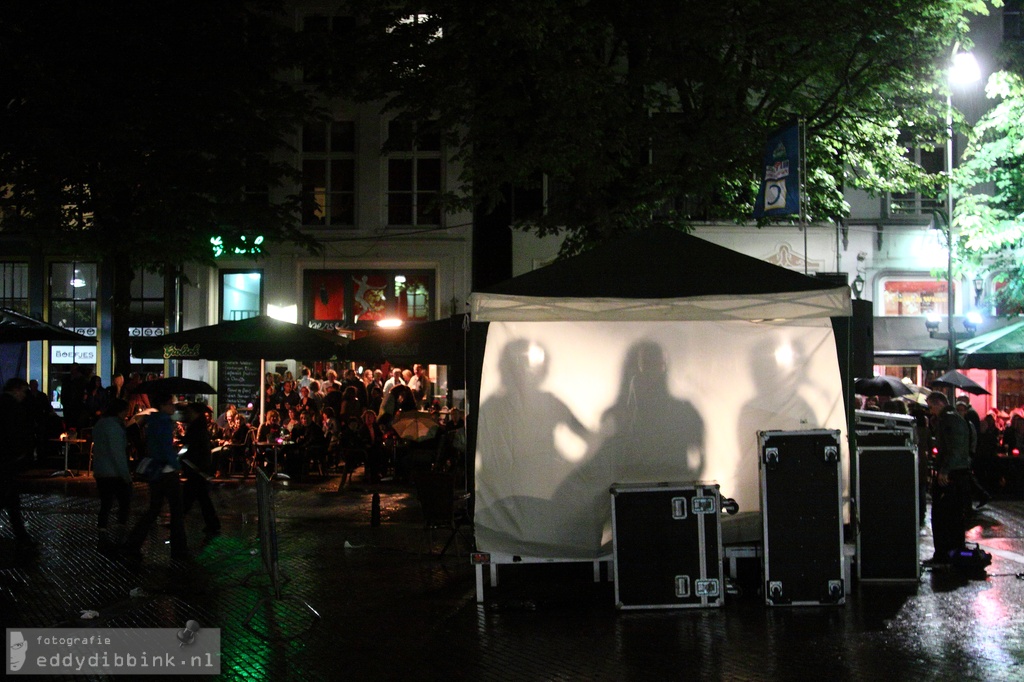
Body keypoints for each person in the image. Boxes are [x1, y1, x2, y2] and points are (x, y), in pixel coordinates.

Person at [123, 393, 188, 560]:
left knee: (154, 509)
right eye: (171, 404)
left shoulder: (152, 421)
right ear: (164, 405)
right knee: (176, 509)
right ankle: (179, 548)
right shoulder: (164, 422)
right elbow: (166, 448)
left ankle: (133, 542)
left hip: (156, 472)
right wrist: (175, 465)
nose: (173, 407)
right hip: (166, 472)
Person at [924, 391, 972, 566]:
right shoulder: (958, 419)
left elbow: (952, 448)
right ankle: (954, 553)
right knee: (954, 517)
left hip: (951, 474)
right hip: (959, 473)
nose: (931, 411)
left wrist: (944, 470)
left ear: (939, 404)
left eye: (931, 407)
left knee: (942, 516)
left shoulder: (948, 420)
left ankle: (943, 555)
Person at [91, 398, 133, 548]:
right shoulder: (114, 427)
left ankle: (102, 530)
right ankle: (120, 530)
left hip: (101, 469)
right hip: (114, 472)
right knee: (124, 500)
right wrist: (126, 474)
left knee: (106, 502)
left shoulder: (101, 424)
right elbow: (117, 452)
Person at [0, 378, 36, 548]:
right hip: (7, 461)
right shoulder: (13, 407)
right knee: (12, 501)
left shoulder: (4, 403)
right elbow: (15, 433)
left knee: (11, 501)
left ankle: (23, 538)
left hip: (5, 460)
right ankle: (22, 538)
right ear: (17, 390)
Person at [179, 403, 220, 534]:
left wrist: (182, 439)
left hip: (196, 466)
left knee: (192, 496)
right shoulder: (200, 426)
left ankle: (178, 520)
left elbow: (192, 444)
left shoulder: (196, 427)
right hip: (199, 466)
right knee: (201, 497)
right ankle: (212, 523)